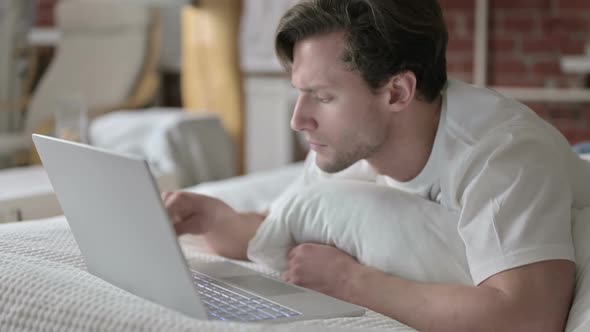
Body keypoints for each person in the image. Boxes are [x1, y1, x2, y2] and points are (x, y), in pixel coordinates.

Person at [163, 0, 590, 330]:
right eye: (300, 92)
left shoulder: (502, 155)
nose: (298, 119)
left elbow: (528, 318)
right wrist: (211, 218)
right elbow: (279, 228)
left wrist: (353, 283)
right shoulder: (344, 148)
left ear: (397, 93)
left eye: (324, 97)